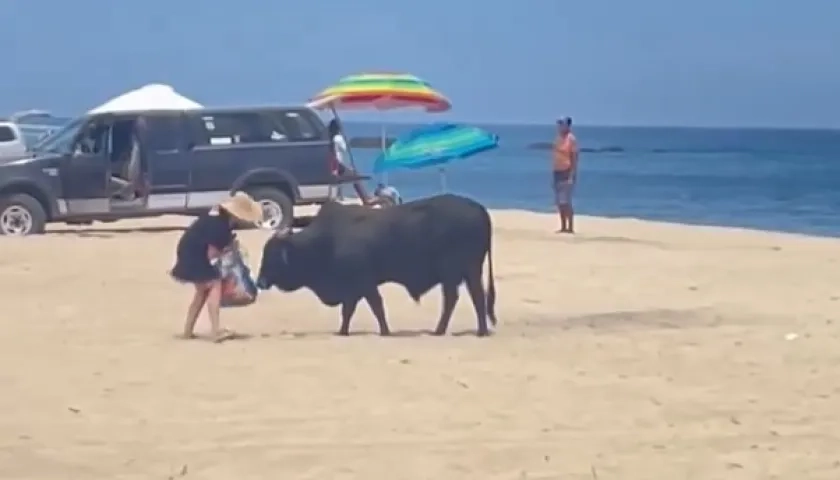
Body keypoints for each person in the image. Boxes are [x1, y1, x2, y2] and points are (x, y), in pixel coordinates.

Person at [169, 191, 264, 342]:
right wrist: (224, 258)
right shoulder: (220, 225)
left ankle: (188, 331)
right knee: (214, 285)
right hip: (196, 256)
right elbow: (212, 254)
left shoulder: (217, 216)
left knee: (201, 292)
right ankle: (215, 331)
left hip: (188, 251)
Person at [327, 118, 373, 204]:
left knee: (349, 174)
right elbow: (344, 148)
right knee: (355, 176)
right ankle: (365, 198)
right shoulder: (338, 138)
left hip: (333, 165)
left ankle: (341, 195)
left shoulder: (329, 138)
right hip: (337, 165)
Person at [552, 117, 579, 233]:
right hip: (557, 172)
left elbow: (574, 158)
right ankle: (563, 226)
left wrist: (572, 175)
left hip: (566, 171)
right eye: (559, 124)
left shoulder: (571, 139)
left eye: (562, 124)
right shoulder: (558, 139)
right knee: (559, 202)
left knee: (566, 201)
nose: (559, 126)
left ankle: (570, 227)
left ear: (567, 126)